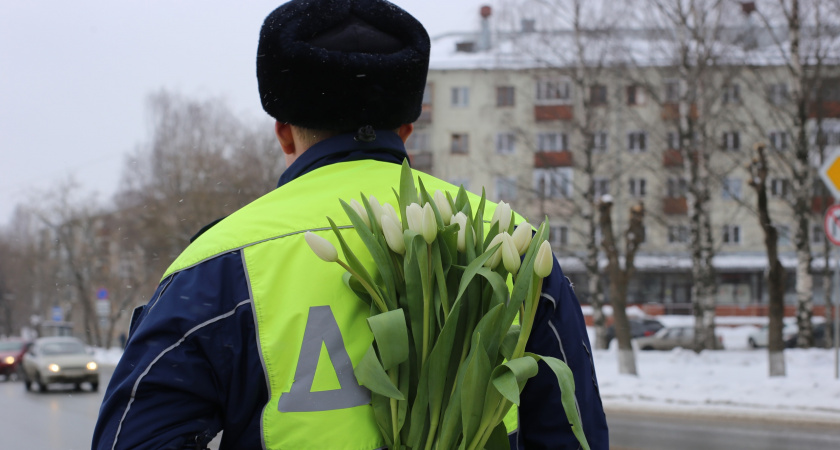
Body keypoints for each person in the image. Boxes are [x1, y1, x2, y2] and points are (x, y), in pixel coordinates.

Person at [92, 0, 608, 448]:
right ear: (408, 127)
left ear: (284, 134)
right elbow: (572, 433)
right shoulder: (504, 242)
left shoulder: (218, 264)